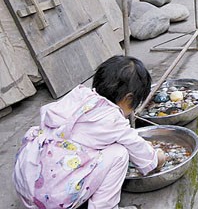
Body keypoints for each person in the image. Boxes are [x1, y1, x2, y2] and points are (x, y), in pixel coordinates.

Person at [13, 55, 167, 209]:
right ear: (128, 99)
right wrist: (158, 157)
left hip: (28, 189)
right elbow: (141, 151)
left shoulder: (79, 95)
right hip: (53, 201)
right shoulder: (112, 119)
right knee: (120, 154)